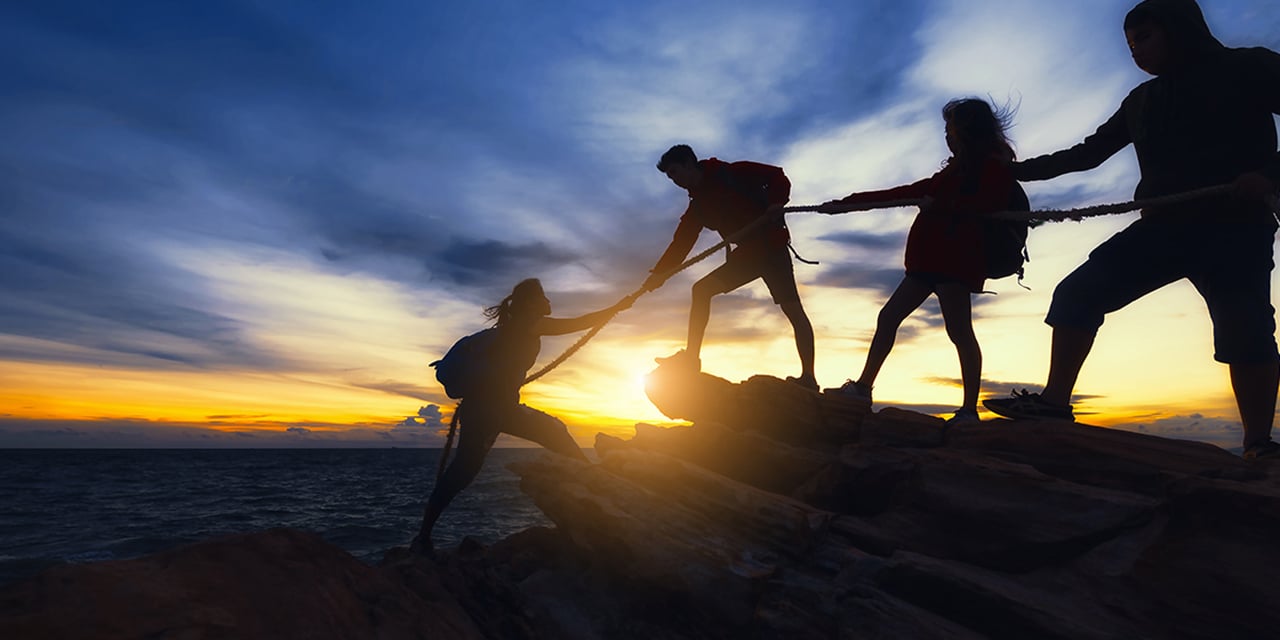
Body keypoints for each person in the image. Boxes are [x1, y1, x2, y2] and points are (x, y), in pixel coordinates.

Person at [982, 0, 1280, 459]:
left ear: (1179, 30)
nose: (1135, 51)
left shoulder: (1247, 67)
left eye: (1144, 37)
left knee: (1246, 330)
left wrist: (1270, 175)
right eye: (1130, 43)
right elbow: (1088, 153)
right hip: (1162, 227)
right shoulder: (1142, 100)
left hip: (1235, 227)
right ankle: (1055, 403)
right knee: (1077, 294)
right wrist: (1015, 172)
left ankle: (1259, 444)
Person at [817, 98, 1024, 425]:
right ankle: (862, 387)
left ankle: (969, 411)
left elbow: (985, 204)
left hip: (955, 263)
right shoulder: (953, 171)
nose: (947, 136)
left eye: (950, 129)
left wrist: (938, 204)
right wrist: (845, 205)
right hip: (928, 263)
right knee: (889, 318)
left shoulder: (992, 167)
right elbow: (903, 192)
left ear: (967, 130)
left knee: (959, 332)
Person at [411, 279, 633, 554]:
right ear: (531, 303)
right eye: (543, 297)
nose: (548, 302)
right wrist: (618, 306)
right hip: (496, 409)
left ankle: (423, 537)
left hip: (481, 409)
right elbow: (579, 322)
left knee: (463, 471)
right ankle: (598, 490)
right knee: (554, 432)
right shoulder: (531, 323)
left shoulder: (509, 329)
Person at [644, 144, 819, 391]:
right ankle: (692, 359)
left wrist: (776, 202)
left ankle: (809, 379)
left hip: (772, 250)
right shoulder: (698, 207)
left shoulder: (732, 173)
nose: (674, 180)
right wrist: (659, 274)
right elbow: (681, 243)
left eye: (675, 172)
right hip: (746, 256)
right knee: (701, 290)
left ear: (688, 163)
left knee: (793, 311)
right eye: (670, 177)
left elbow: (777, 176)